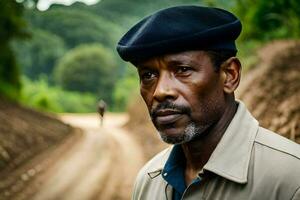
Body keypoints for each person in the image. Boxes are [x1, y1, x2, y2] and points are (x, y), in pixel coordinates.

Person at [116, 5, 300, 200]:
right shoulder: (148, 182)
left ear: (230, 75)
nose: (160, 92)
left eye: (183, 69)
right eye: (149, 75)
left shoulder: (291, 180)